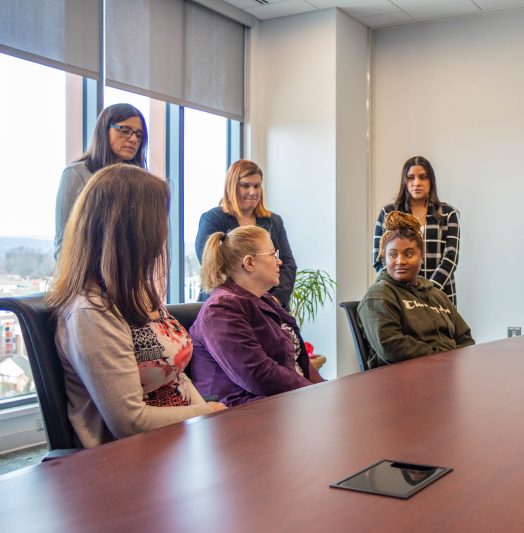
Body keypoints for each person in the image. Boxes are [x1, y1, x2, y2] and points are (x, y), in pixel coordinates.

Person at [45, 164, 225, 448]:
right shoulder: (91, 311)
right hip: (129, 463)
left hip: (180, 442)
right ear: (133, 230)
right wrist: (210, 413)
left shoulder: (137, 293)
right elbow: (130, 423)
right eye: (159, 220)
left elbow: (176, 379)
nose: (164, 233)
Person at [190, 225, 323, 406]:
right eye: (272, 255)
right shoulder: (220, 309)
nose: (279, 262)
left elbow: (299, 360)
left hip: (284, 403)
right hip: (243, 413)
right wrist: (315, 394)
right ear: (249, 263)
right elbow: (259, 375)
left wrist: (324, 389)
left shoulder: (265, 300)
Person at [359, 211, 474, 369]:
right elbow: (391, 348)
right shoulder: (379, 296)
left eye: (409, 254)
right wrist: (444, 357)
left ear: (422, 257)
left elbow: (465, 338)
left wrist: (452, 363)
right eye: (393, 255)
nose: (400, 261)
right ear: (385, 257)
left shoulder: (437, 294)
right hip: (403, 382)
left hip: (445, 374)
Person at [195, 159, 297, 309]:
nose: (253, 192)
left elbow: (287, 264)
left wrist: (274, 300)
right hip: (225, 304)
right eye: (245, 185)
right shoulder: (213, 219)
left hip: (268, 305)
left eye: (257, 186)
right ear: (231, 186)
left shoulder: (274, 221)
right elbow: (211, 263)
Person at [55, 103, 148, 258]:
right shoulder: (77, 174)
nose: (133, 139)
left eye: (139, 135)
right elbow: (64, 241)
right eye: (125, 131)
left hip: (126, 276)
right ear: (104, 131)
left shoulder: (141, 184)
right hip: (84, 275)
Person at [373, 156, 461, 305]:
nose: (417, 183)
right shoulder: (389, 214)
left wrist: (427, 290)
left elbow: (450, 259)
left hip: (439, 295)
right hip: (399, 297)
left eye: (423, 177)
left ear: (431, 181)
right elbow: (379, 258)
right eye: (411, 178)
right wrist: (401, 290)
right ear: (404, 182)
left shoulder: (448, 213)